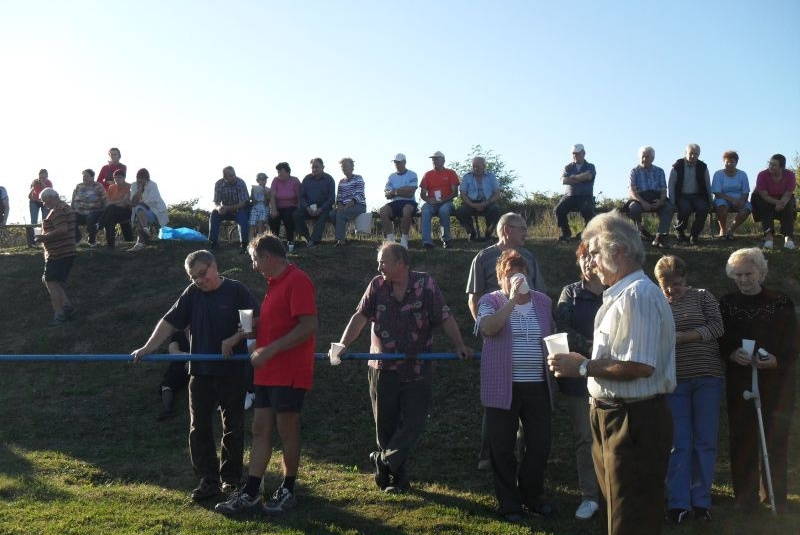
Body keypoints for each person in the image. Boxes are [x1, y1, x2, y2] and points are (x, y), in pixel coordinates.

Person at [547, 211, 676, 535]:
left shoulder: (638, 296)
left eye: (594, 253)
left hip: (633, 420)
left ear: (618, 250)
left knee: (630, 517)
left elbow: (639, 366)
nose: (589, 263)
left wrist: (582, 365)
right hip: (615, 417)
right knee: (616, 513)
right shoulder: (621, 295)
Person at [333, 242, 473, 493]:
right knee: (385, 426)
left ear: (401, 263)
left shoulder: (425, 284)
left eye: (383, 262)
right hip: (382, 367)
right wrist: (343, 344)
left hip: (418, 367)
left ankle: (382, 460)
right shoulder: (377, 285)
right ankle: (396, 480)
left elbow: (444, 315)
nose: (379, 266)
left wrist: (459, 344)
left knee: (414, 422)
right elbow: (360, 316)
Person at [131, 250, 260, 501]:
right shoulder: (191, 294)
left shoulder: (236, 290)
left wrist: (235, 338)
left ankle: (231, 480)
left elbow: (252, 321)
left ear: (214, 266)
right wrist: (148, 348)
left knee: (232, 426)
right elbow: (169, 321)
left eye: (202, 274)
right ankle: (208, 479)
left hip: (232, 371)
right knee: (198, 428)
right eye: (193, 277)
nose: (200, 280)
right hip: (199, 372)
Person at [215, 233, 317, 516]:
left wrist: (270, 350)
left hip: (288, 371)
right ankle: (251, 491)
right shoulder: (274, 285)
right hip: (267, 372)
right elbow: (271, 321)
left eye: (254, 260)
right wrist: (241, 335)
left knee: (287, 431)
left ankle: (288, 488)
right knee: (259, 429)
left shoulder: (298, 280)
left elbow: (309, 325)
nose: (254, 267)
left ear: (267, 256)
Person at [477, 249, 555, 522]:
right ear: (501, 278)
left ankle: (532, 497)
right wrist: (510, 301)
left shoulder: (543, 302)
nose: (516, 278)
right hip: (502, 386)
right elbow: (488, 328)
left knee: (539, 445)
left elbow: (552, 337)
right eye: (509, 274)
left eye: (520, 273)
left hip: (536, 386)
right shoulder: (490, 300)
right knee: (502, 447)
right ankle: (509, 504)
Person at [718, 248, 798, 513]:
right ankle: (745, 497)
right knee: (742, 437)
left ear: (761, 272)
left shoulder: (780, 301)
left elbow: (793, 340)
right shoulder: (727, 303)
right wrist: (732, 353)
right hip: (740, 379)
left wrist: (777, 359)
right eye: (738, 275)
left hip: (776, 379)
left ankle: (775, 495)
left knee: (775, 438)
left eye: (748, 274)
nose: (743, 280)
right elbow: (721, 339)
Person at [466, 212, 547, 470]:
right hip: (496, 330)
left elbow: (540, 294)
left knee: (528, 402)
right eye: (522, 228)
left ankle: (524, 453)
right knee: (497, 397)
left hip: (529, 333)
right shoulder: (483, 257)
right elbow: (474, 297)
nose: (526, 232)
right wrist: (486, 325)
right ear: (506, 230)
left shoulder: (529, 258)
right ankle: (488, 454)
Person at [653, 255, 724, 523]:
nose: (672, 290)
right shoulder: (657, 302)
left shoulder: (703, 297)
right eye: (666, 285)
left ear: (686, 279)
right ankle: (679, 502)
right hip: (675, 381)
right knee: (678, 443)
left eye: (677, 284)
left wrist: (685, 337)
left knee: (705, 441)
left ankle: (701, 500)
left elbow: (717, 327)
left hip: (707, 378)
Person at [554, 242, 603, 520]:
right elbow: (563, 329)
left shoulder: (615, 290)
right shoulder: (570, 293)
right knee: (586, 438)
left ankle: (614, 490)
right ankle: (589, 496)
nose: (588, 262)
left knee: (614, 436)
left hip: (612, 375)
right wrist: (596, 348)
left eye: (592, 257)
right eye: (583, 258)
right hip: (577, 379)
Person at [34, 188, 77, 326]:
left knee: (51, 282)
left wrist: (43, 237)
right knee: (49, 280)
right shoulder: (64, 207)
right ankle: (66, 305)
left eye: (45, 201)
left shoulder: (58, 209)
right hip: (64, 251)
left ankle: (59, 314)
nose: (44, 205)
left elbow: (62, 229)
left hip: (59, 252)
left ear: (52, 197)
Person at [623, 146, 674, 248]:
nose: (645, 159)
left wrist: (660, 201)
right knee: (632, 208)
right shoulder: (634, 171)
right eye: (643, 156)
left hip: (656, 197)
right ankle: (641, 230)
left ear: (653, 158)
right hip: (639, 198)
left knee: (669, 207)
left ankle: (661, 236)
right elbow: (632, 190)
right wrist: (643, 202)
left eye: (647, 157)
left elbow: (664, 189)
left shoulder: (660, 171)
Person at [668, 144, 712, 245]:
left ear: (699, 155)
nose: (693, 156)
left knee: (703, 208)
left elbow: (707, 185)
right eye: (691, 153)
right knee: (685, 208)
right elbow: (671, 185)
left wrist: (710, 201)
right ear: (686, 153)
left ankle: (694, 235)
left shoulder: (703, 167)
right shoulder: (677, 166)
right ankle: (679, 231)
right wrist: (672, 201)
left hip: (698, 196)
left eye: (695, 154)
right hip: (682, 196)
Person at [751, 154, 796, 250]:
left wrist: (782, 203)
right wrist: (777, 203)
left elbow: (788, 194)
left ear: (782, 167)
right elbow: (764, 195)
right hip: (763, 197)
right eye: (770, 163)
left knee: (788, 205)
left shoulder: (790, 175)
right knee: (764, 206)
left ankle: (788, 237)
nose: (770, 166)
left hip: (783, 197)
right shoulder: (762, 175)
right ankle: (769, 236)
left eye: (774, 165)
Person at [554, 144, 596, 242]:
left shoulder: (590, 166)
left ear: (583, 153)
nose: (575, 156)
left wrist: (573, 178)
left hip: (585, 196)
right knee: (559, 210)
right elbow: (563, 180)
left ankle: (585, 233)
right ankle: (566, 233)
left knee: (588, 211)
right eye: (573, 154)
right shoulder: (568, 167)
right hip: (570, 196)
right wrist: (581, 178)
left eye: (577, 154)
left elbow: (589, 176)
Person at [455, 156, 501, 242]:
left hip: (487, 202)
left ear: (484, 166)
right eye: (473, 166)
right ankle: (471, 232)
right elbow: (462, 194)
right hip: (470, 203)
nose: (475, 169)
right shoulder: (467, 177)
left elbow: (497, 194)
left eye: (477, 167)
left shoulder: (491, 177)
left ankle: (488, 233)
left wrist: (486, 203)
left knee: (495, 210)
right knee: (461, 211)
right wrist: (472, 204)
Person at [419, 150, 459, 249]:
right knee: (425, 210)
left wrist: (443, 200)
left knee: (444, 210)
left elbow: (455, 192)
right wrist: (429, 200)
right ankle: (427, 242)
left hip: (447, 202)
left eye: (436, 159)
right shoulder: (427, 174)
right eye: (433, 159)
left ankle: (446, 240)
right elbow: (423, 194)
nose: (434, 161)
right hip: (432, 203)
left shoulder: (451, 173)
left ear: (443, 161)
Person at [293, 158, 336, 247]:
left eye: (317, 167)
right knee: (296, 215)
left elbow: (331, 198)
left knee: (323, 215)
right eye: (313, 167)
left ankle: (314, 240)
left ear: (323, 167)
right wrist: (307, 207)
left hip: (324, 208)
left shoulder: (329, 179)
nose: (314, 169)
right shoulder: (307, 179)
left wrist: (321, 209)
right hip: (308, 208)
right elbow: (302, 196)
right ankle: (307, 238)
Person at [379, 153, 418, 249]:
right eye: (395, 162)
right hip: (395, 202)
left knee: (406, 211)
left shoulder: (412, 174)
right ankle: (390, 239)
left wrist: (395, 192)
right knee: (383, 211)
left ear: (404, 162)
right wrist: (402, 190)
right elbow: (387, 194)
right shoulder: (391, 176)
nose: (396, 164)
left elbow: (410, 193)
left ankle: (404, 240)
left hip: (409, 202)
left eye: (398, 162)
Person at [711, 150, 752, 239]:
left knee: (746, 210)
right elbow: (717, 193)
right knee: (722, 208)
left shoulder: (742, 174)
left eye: (732, 162)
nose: (729, 164)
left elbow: (746, 191)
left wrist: (741, 201)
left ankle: (731, 230)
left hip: (740, 198)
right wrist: (732, 200)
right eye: (727, 162)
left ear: (736, 162)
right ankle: (723, 230)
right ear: (724, 162)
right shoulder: (718, 174)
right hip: (722, 198)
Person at [209, 166, 250, 253]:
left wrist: (228, 208)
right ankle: (213, 243)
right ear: (225, 177)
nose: (233, 177)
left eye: (234, 174)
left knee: (242, 216)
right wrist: (218, 207)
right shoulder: (219, 184)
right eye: (230, 176)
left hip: (239, 209)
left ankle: (244, 244)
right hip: (225, 210)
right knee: (214, 214)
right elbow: (216, 202)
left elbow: (243, 203)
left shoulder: (241, 183)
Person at [129, 168, 169, 252]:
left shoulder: (153, 185)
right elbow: (133, 202)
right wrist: (139, 189)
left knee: (139, 209)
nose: (140, 180)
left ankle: (139, 243)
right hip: (140, 211)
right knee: (139, 209)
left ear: (147, 178)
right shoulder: (133, 185)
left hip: (155, 211)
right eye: (139, 178)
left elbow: (153, 201)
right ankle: (144, 232)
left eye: (143, 178)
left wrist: (142, 203)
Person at [329, 157, 366, 246]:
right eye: (342, 166)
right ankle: (342, 236)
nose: (343, 168)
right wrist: (340, 206)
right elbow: (339, 197)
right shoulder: (341, 182)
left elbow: (359, 195)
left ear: (352, 167)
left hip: (358, 205)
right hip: (345, 206)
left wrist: (347, 206)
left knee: (341, 214)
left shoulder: (358, 178)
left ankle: (340, 240)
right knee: (332, 214)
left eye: (345, 166)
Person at [158, 328, 191, 421]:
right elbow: (174, 351)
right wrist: (189, 357)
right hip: (180, 365)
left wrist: (194, 361)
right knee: (167, 385)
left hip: (200, 364)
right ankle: (167, 410)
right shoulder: (177, 335)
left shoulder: (203, 333)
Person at [97, 168, 135, 248]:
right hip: (113, 212)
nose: (117, 179)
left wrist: (115, 203)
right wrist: (119, 202)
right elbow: (107, 203)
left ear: (124, 178)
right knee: (110, 219)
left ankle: (100, 225)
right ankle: (111, 245)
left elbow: (125, 204)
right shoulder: (111, 187)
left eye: (119, 177)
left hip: (126, 211)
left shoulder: (129, 186)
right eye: (115, 178)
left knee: (111, 208)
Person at [70, 169, 107, 247]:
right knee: (70, 217)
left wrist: (104, 211)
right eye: (83, 176)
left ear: (92, 177)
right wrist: (71, 209)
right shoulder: (79, 186)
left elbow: (105, 199)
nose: (84, 178)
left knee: (90, 218)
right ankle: (78, 239)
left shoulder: (98, 186)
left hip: (94, 211)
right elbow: (73, 199)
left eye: (87, 176)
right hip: (79, 212)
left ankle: (92, 240)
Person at [268, 162, 301, 247]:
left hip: (292, 206)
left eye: (281, 172)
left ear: (288, 172)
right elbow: (272, 196)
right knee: (273, 217)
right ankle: (274, 242)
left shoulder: (295, 180)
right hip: (278, 206)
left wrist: (299, 209)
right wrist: (274, 210)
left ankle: (290, 240)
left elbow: (299, 196)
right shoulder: (275, 180)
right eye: (278, 172)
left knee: (288, 216)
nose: (279, 174)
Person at [249, 173, 270, 241]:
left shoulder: (268, 189)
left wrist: (266, 195)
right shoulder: (254, 189)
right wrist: (253, 194)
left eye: (265, 179)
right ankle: (251, 241)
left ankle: (260, 241)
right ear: (258, 181)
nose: (264, 181)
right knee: (252, 225)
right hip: (255, 208)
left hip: (264, 208)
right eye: (262, 179)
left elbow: (267, 204)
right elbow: (253, 203)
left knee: (261, 224)